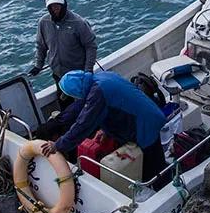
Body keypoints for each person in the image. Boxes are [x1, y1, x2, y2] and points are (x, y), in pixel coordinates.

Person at [38, 70, 168, 188]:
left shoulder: (97, 93)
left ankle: (164, 189)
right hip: (143, 115)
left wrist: (58, 145)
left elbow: (83, 124)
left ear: (76, 90)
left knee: (154, 168)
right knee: (144, 161)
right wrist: (105, 131)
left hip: (146, 123)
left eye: (73, 95)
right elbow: (113, 105)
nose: (75, 98)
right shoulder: (101, 77)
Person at [28, 0, 97, 108]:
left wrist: (88, 71)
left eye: (58, 5)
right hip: (59, 76)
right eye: (52, 6)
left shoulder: (78, 23)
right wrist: (38, 66)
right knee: (65, 106)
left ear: (64, 4)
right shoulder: (43, 23)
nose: (56, 9)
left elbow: (91, 46)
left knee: (85, 106)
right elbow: (41, 46)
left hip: (78, 75)